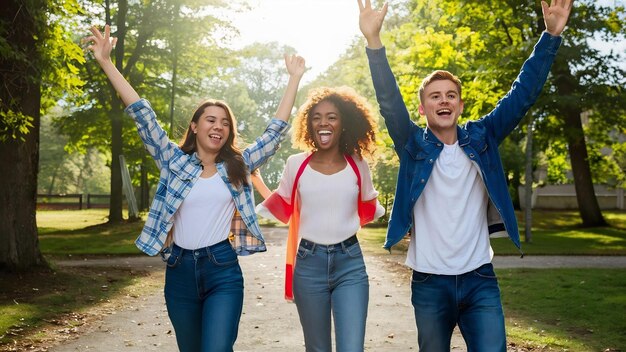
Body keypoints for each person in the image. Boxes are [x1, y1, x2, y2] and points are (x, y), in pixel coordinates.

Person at [358, 0, 572, 350]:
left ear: (459, 104)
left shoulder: (483, 137)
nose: (444, 101)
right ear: (423, 106)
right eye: (435, 96)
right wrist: (373, 42)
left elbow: (522, 96)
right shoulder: (412, 143)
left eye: (451, 95)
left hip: (479, 279)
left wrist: (550, 36)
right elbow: (388, 100)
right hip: (429, 283)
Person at [85, 24, 305, 352]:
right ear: (195, 126)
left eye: (225, 122)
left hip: (222, 270)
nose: (218, 126)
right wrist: (106, 62)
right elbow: (143, 116)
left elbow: (273, 134)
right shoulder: (174, 161)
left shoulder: (238, 165)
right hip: (179, 271)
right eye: (210, 120)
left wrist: (293, 79)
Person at [256, 86, 385, 352]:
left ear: (343, 123)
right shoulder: (296, 164)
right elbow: (282, 206)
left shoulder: (358, 164)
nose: (324, 122)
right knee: (317, 349)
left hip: (350, 263)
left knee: (352, 348)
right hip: (309, 264)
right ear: (309, 124)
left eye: (332, 116)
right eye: (317, 117)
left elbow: (367, 210)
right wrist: (255, 179)